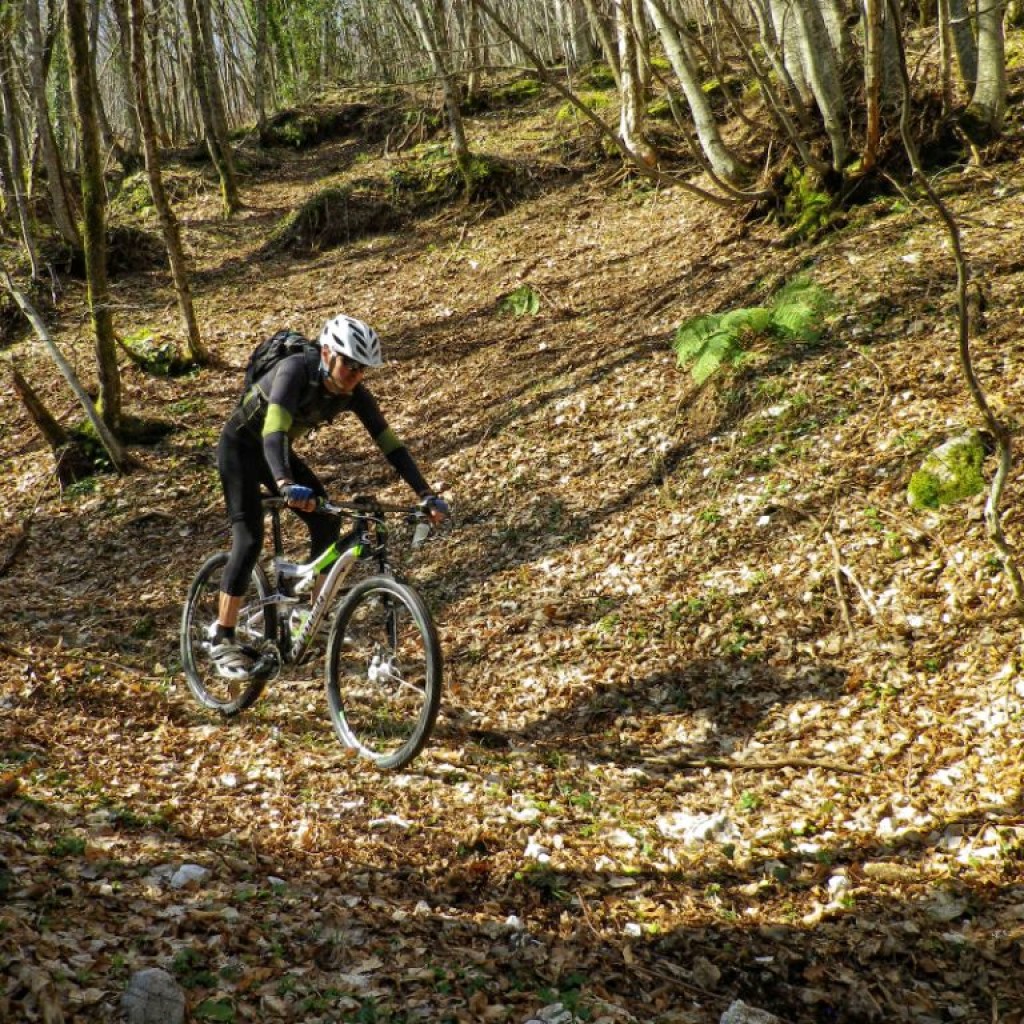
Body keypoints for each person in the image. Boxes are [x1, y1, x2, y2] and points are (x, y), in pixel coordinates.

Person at [209, 314, 448, 680]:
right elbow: (272, 433)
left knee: (327, 519)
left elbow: (391, 446)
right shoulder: (294, 371)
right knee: (249, 538)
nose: (355, 374)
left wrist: (425, 493)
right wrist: (285, 482)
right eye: (350, 365)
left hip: (279, 454)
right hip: (241, 448)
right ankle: (222, 637)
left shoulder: (353, 393)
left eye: (363, 368)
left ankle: (311, 616)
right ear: (326, 354)